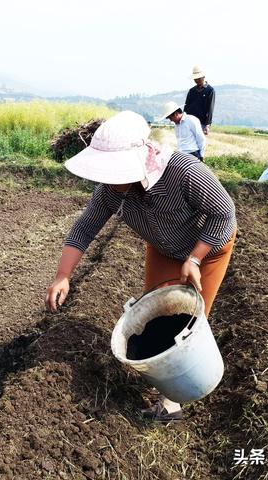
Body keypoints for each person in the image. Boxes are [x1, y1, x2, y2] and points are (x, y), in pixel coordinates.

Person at [45, 111, 237, 422]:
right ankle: (161, 376)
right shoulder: (111, 190)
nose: (107, 179)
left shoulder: (185, 172)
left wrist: (195, 258)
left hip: (208, 247)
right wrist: (62, 276)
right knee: (158, 310)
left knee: (191, 316)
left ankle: (174, 399)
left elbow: (223, 214)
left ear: (139, 158)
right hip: (164, 247)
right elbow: (84, 228)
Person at [184, 66, 215, 135]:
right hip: (189, 121)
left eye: (198, 78)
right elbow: (186, 106)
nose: (196, 80)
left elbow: (210, 109)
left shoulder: (210, 90)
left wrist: (208, 124)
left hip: (202, 123)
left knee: (200, 144)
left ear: (203, 77)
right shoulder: (191, 91)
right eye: (195, 79)